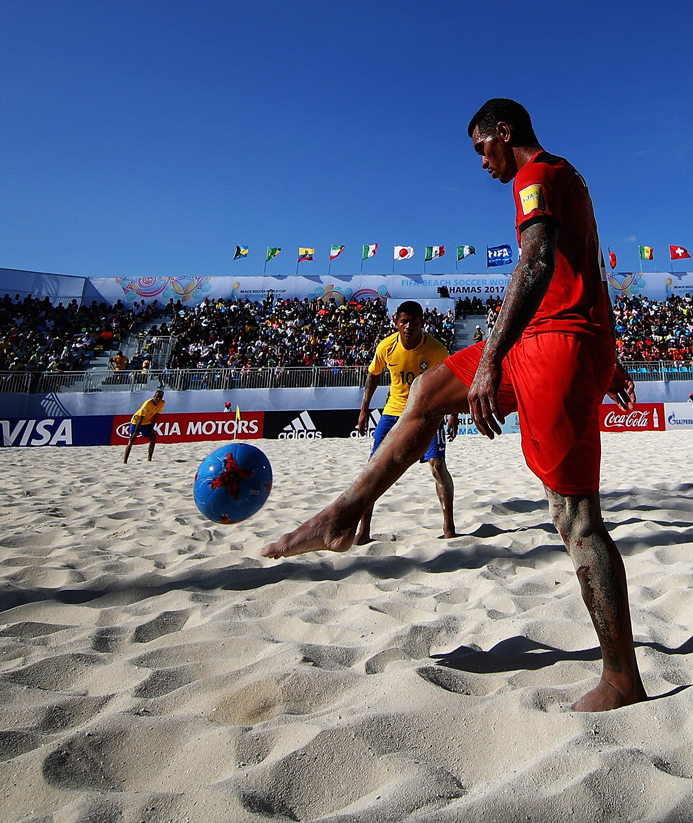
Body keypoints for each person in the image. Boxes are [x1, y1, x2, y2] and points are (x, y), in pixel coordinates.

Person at [262, 98, 646, 712]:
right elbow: (585, 270)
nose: (481, 163)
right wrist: (609, 355)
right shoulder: (567, 176)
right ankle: (344, 513)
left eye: (480, 149)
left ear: (503, 132)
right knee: (427, 392)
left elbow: (540, 261)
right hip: (553, 339)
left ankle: (622, 680)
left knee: (576, 521)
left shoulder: (537, 174)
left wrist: (495, 358)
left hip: (554, 349)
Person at [356, 300, 458, 543]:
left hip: (429, 412)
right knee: (374, 468)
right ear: (396, 323)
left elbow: (455, 378)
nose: (409, 326)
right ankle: (364, 531)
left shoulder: (436, 349)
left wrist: (453, 413)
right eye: (404, 321)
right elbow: (373, 376)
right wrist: (364, 410)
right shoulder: (386, 347)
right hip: (394, 412)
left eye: (414, 321)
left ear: (422, 323)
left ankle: (449, 529)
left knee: (437, 466)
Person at [123, 389, 164, 463]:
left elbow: (156, 417)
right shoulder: (147, 403)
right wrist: (136, 432)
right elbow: (140, 418)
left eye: (160, 398)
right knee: (132, 439)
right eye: (156, 397)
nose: (158, 399)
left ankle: (149, 459)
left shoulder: (162, 403)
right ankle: (125, 461)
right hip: (136, 422)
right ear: (154, 397)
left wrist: (152, 428)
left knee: (153, 437)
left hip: (146, 422)